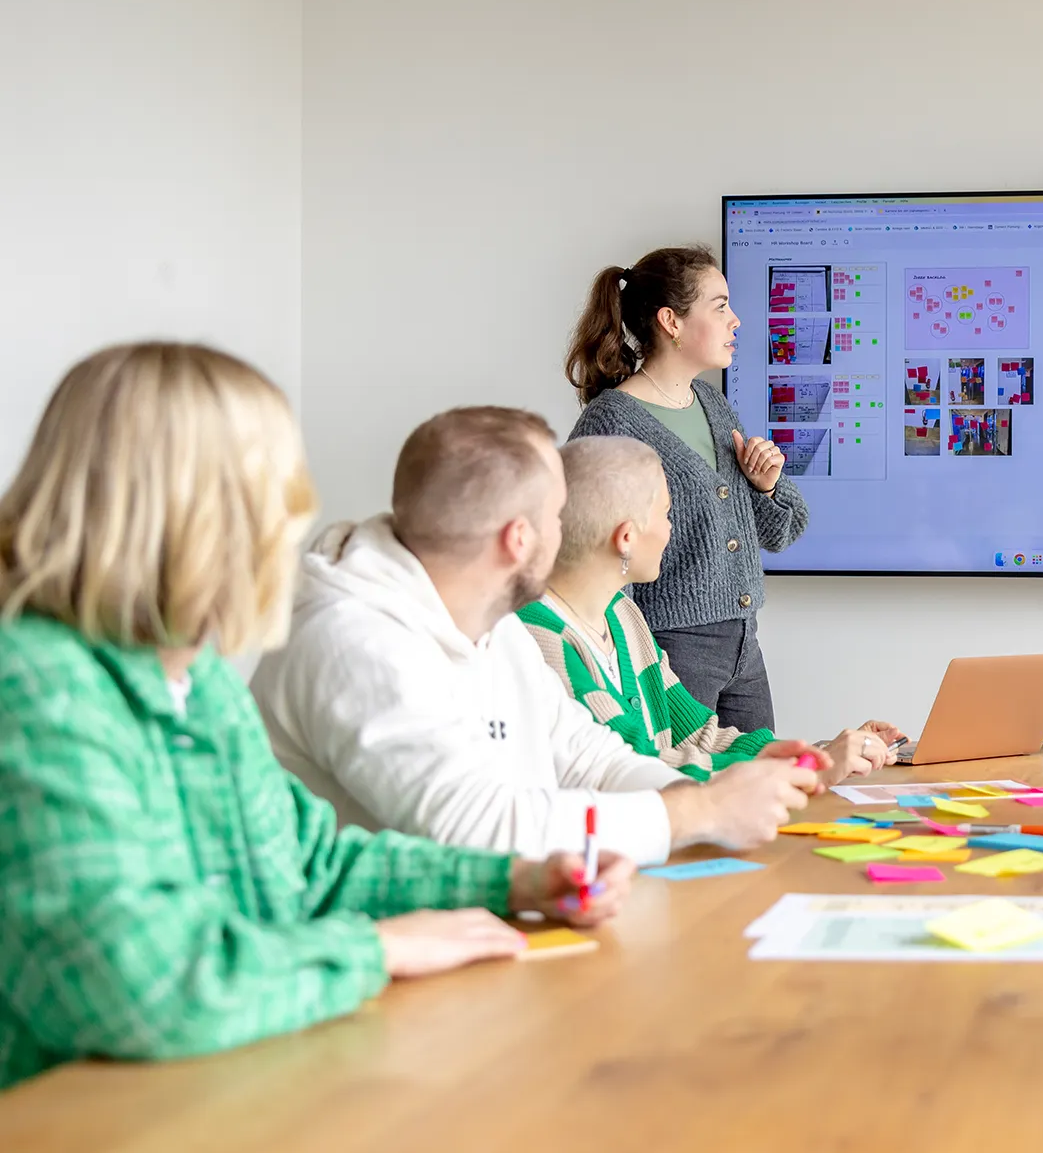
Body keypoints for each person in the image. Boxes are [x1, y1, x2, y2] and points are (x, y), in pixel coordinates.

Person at [0, 343, 636, 1090]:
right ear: (195, 516)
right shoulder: (35, 684)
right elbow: (142, 985)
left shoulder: (192, 673)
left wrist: (514, 881)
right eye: (277, 496)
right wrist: (376, 951)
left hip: (200, 1093)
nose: (291, 523)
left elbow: (307, 866)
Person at [252, 407, 819, 865]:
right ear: (518, 540)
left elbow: (587, 758)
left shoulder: (491, 624)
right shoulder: (357, 641)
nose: (570, 531)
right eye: (558, 517)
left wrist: (703, 799)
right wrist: (699, 815)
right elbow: (479, 829)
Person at [520, 436, 904, 780]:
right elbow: (633, 764)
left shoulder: (622, 615)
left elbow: (699, 735)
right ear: (626, 537)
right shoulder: (539, 637)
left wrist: (820, 754)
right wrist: (804, 767)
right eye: (666, 514)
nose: (670, 530)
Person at [564, 246, 806, 733]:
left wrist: (766, 485)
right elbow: (594, 554)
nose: (735, 320)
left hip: (745, 645)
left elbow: (782, 531)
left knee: (759, 788)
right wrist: (628, 665)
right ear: (671, 321)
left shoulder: (713, 406)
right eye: (720, 306)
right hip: (668, 651)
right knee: (684, 788)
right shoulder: (612, 421)